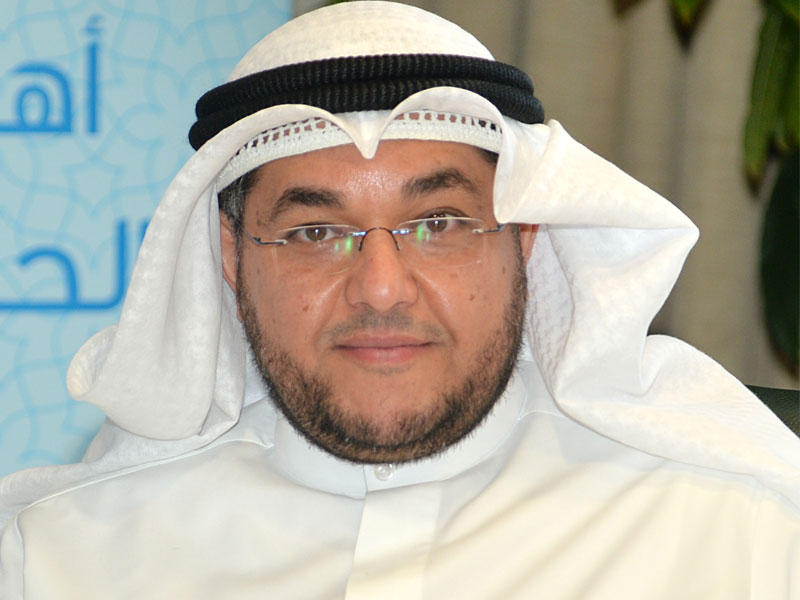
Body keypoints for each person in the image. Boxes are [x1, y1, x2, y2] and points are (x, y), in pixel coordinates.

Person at [1, 2, 797, 598]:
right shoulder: (61, 561)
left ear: (525, 238)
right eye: (316, 232)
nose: (381, 287)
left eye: (438, 223)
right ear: (230, 257)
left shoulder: (737, 537)